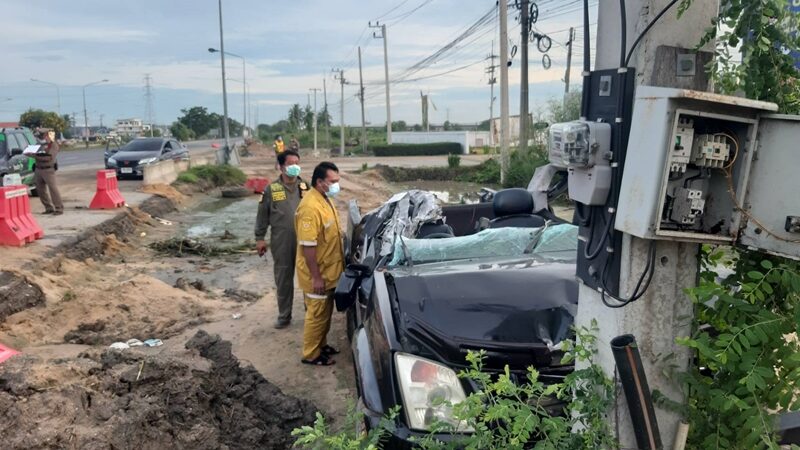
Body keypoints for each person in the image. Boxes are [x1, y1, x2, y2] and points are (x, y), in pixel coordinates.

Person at [295, 161, 344, 366]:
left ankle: (321, 346)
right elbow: (308, 246)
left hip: (330, 271)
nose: (336, 185)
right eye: (333, 182)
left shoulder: (324, 199)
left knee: (325, 314)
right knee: (316, 315)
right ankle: (311, 354)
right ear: (320, 182)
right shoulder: (310, 207)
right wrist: (316, 277)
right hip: (318, 274)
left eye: (337, 181)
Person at [254, 150, 307, 329]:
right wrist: (259, 238)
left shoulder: (306, 187)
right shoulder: (272, 189)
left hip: (305, 241)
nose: (294, 167)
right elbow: (262, 215)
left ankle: (312, 314)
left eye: (297, 163)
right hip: (281, 241)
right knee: (283, 279)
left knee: (308, 278)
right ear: (281, 166)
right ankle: (284, 316)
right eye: (291, 163)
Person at [33, 129, 63, 215]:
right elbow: (29, 151)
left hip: (48, 170)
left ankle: (59, 208)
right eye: (41, 135)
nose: (42, 137)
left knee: (53, 189)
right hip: (38, 169)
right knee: (40, 190)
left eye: (44, 135)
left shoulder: (53, 145)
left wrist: (34, 156)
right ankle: (48, 207)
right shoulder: (39, 145)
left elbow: (48, 158)